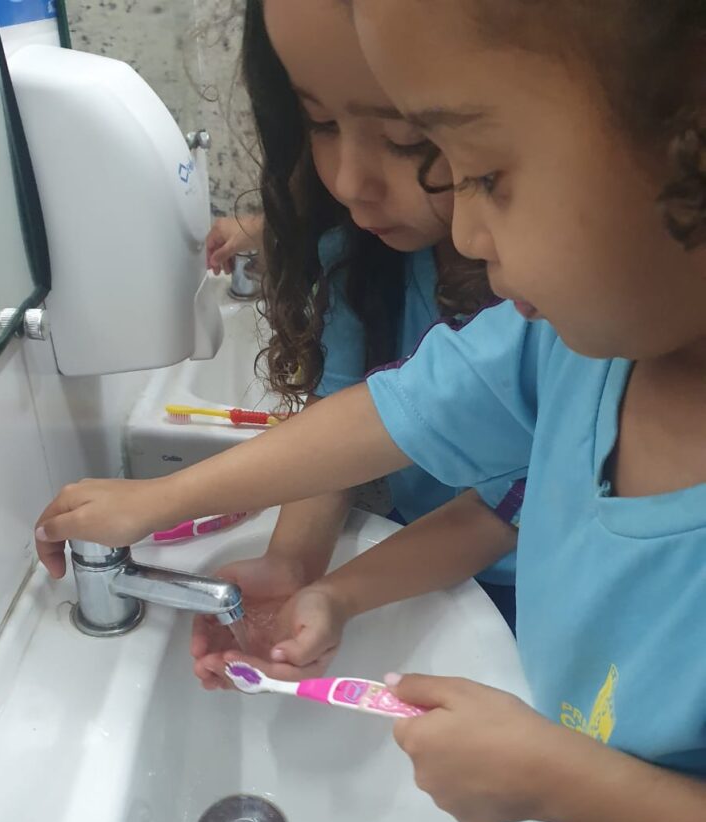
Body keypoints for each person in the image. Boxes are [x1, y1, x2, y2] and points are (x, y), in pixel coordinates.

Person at [35, 1, 706, 822]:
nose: (467, 232)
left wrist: (567, 785)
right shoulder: (574, 351)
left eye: (488, 174)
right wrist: (166, 505)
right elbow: (391, 414)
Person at [191, 0, 521, 681]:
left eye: (404, 136)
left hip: (528, 584)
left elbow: (499, 513)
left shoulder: (540, 309)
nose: (347, 182)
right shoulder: (356, 258)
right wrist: (293, 565)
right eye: (320, 123)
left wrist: (155, 502)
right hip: (418, 561)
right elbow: (343, 418)